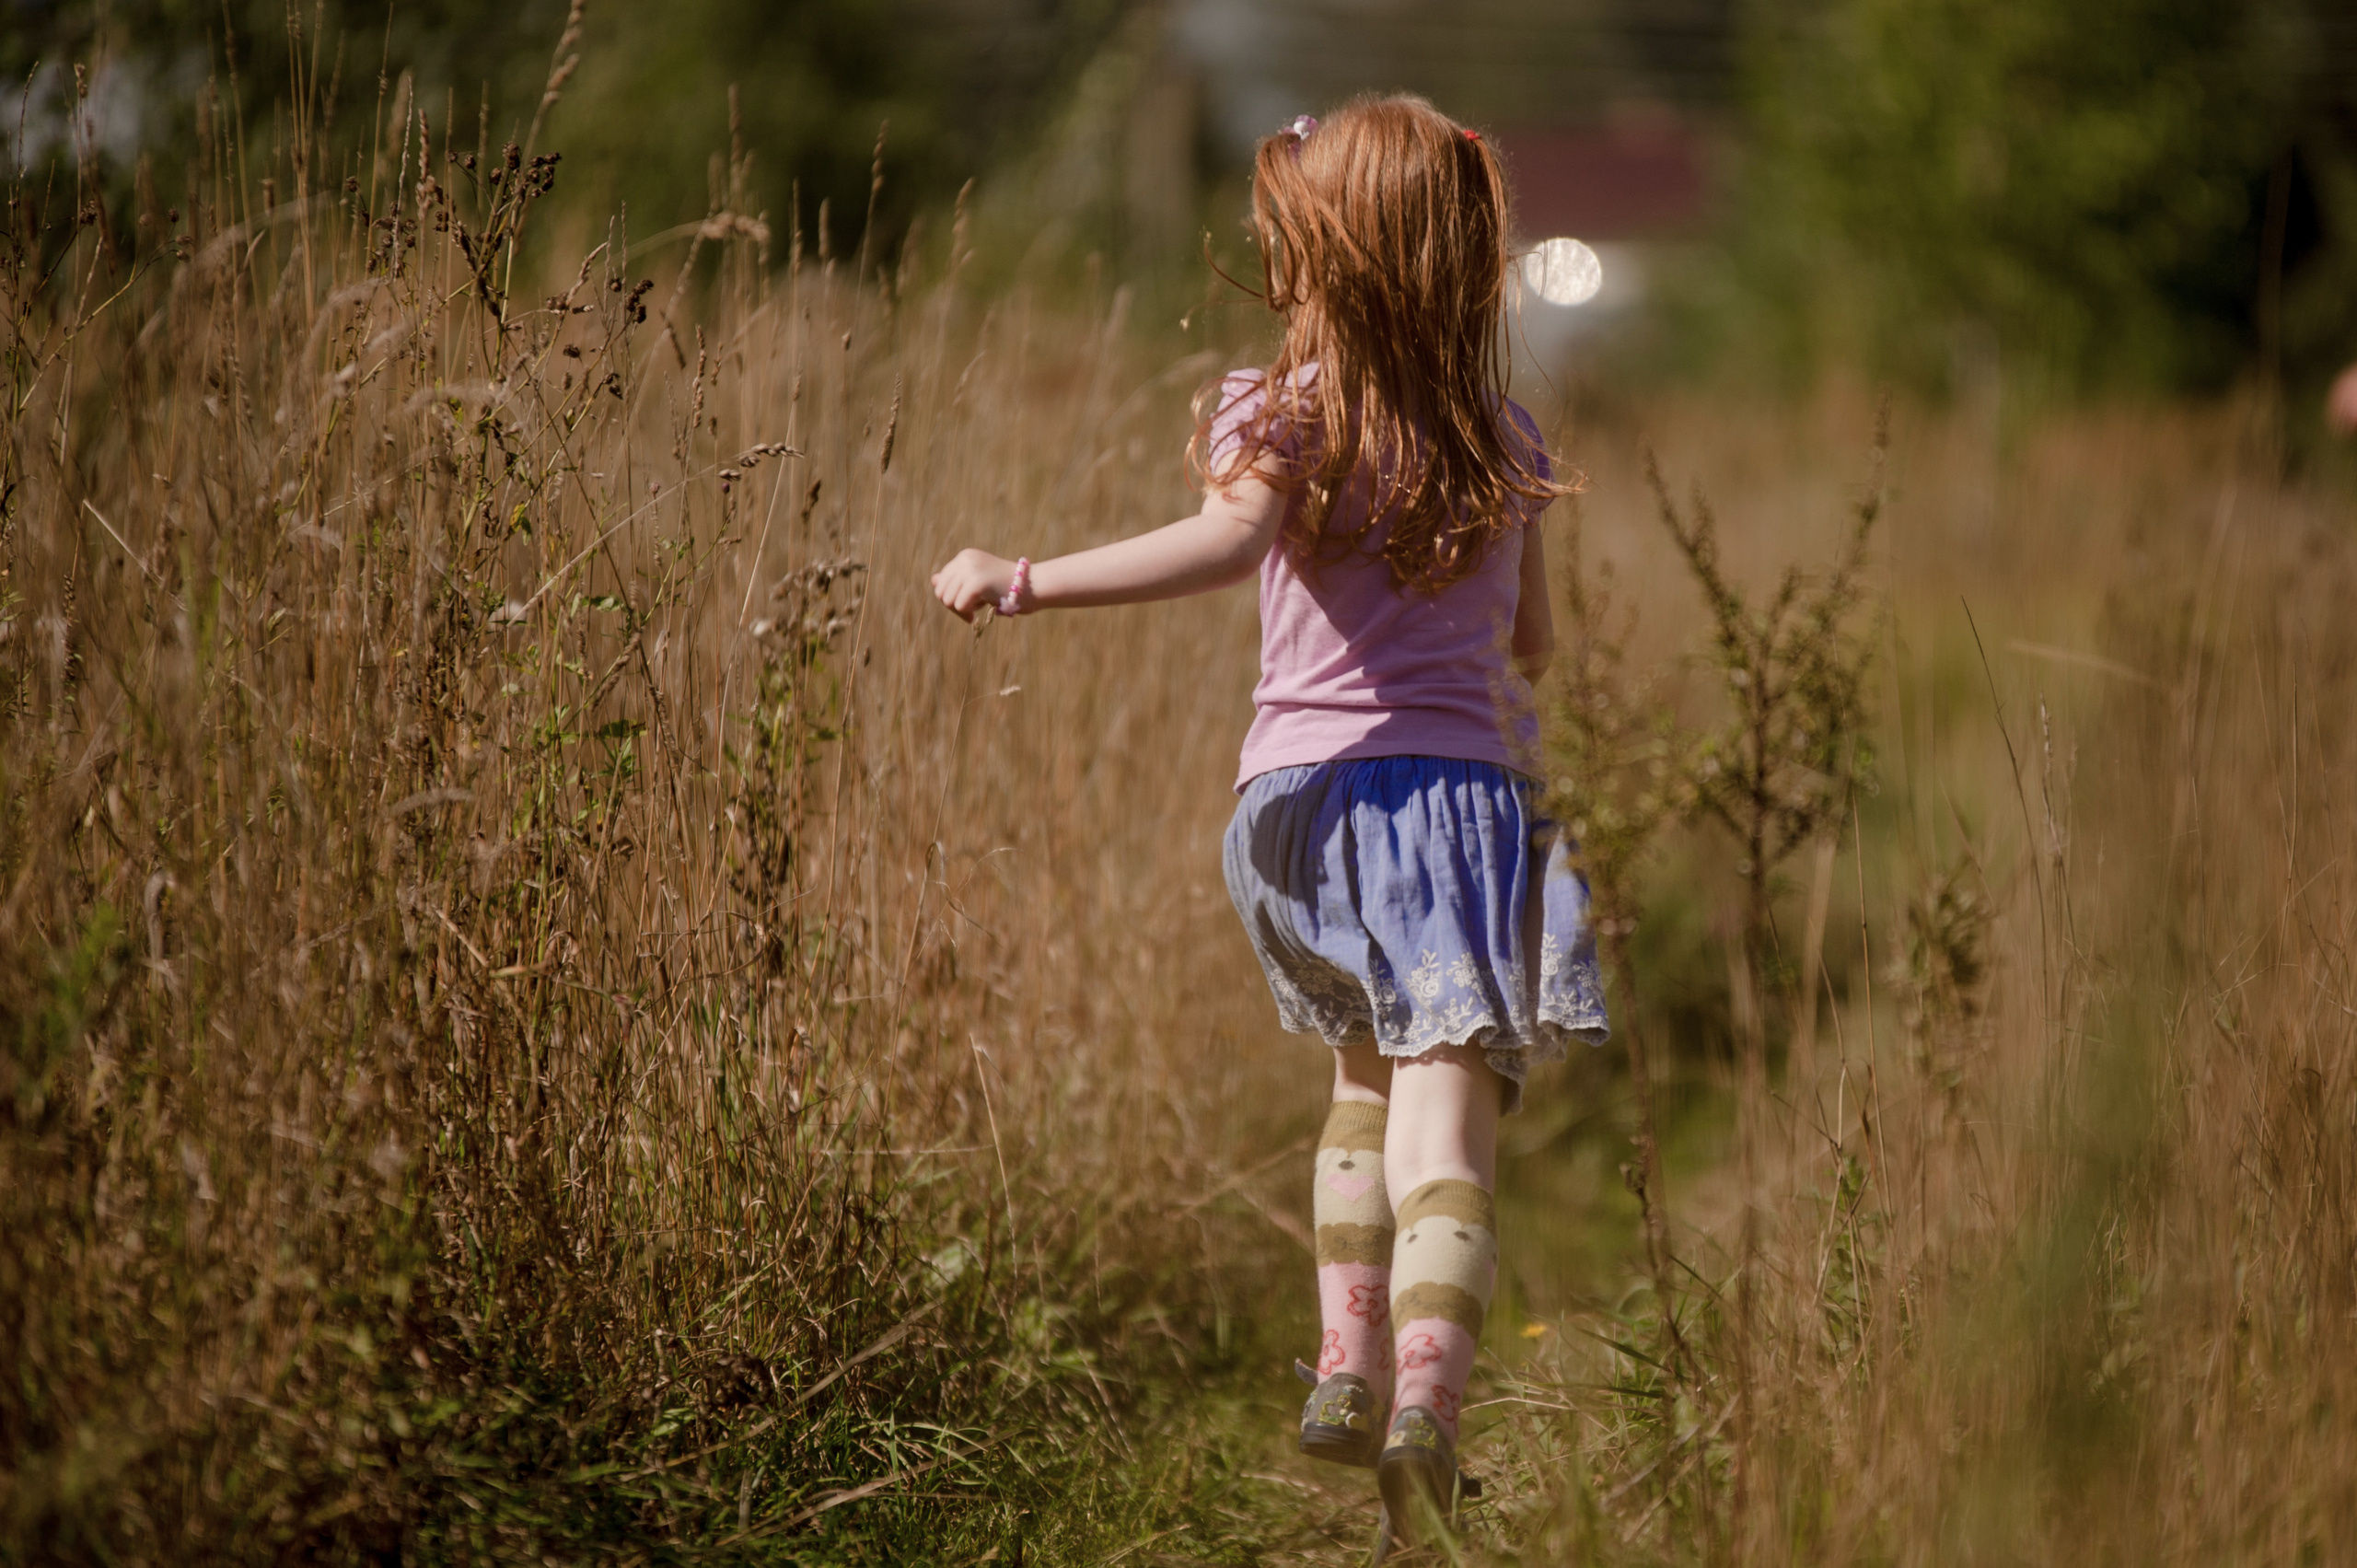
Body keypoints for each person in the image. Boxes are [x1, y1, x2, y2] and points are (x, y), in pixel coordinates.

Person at [929, 94, 1608, 1536]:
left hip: (1295, 816)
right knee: (1447, 1115)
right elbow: (1535, 646)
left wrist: (1027, 574)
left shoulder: (1281, 411)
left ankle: (1343, 1368)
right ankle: (1430, 1394)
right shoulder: (1504, 436)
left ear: (1330, 258)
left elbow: (1229, 542)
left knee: (1358, 1094)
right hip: (1457, 813)